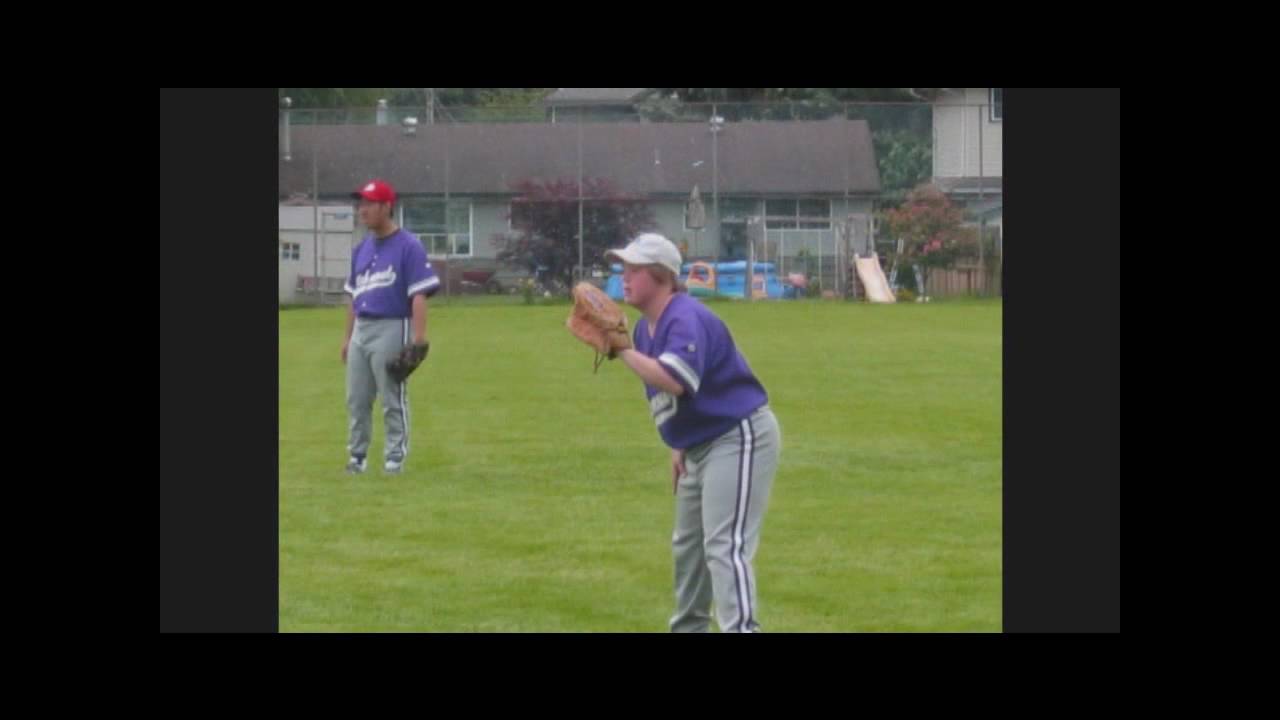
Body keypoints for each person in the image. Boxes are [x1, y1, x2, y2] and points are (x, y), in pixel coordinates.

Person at [606, 233, 782, 632]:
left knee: (724, 546)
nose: (625, 277)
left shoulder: (685, 315)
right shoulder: (644, 330)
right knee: (688, 549)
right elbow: (671, 398)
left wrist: (620, 351)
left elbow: (674, 380)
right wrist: (679, 444)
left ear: (661, 275)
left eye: (634, 269)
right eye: (623, 268)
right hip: (698, 445)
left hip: (738, 436)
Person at [341, 179, 440, 474]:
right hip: (362, 327)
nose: (363, 209)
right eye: (362, 203)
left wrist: (418, 340)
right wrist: (347, 338)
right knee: (356, 398)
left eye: (370, 203)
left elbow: (419, 294)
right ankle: (357, 456)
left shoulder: (408, 246)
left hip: (392, 325)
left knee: (391, 394)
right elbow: (353, 297)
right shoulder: (361, 249)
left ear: (387, 207)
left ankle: (394, 456)